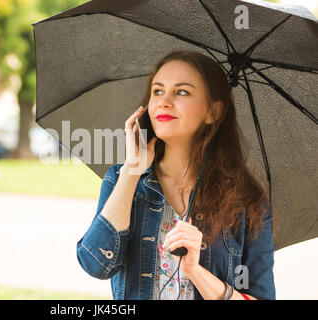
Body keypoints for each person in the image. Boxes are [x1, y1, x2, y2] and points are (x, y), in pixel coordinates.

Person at [76, 50, 276, 300]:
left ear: (213, 112)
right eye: (157, 91)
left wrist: (196, 271)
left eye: (182, 92)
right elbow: (95, 264)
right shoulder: (121, 178)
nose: (164, 101)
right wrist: (132, 171)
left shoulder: (246, 201)